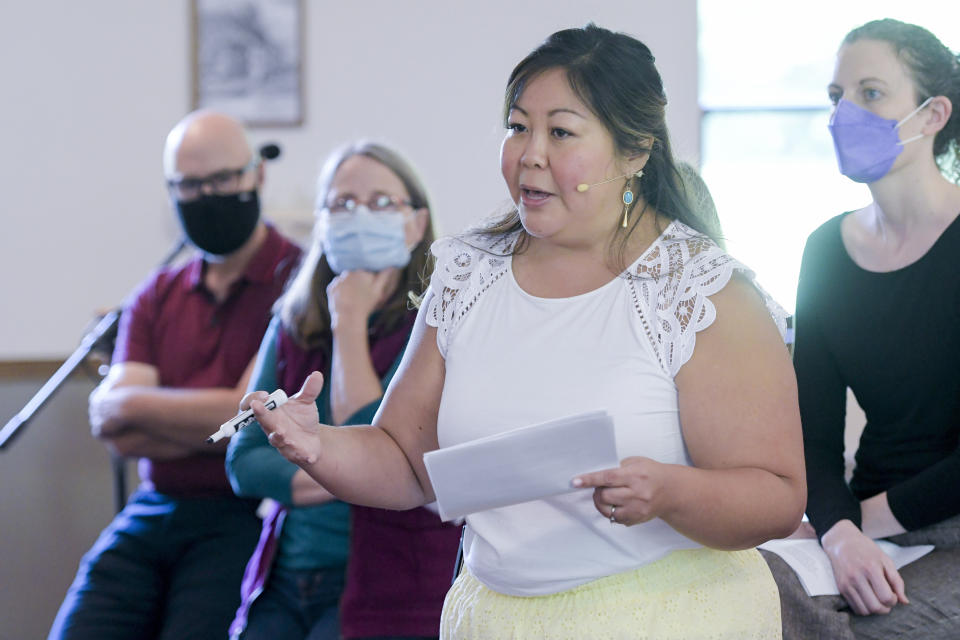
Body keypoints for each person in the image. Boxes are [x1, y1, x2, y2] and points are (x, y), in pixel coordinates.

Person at [244, 24, 805, 639]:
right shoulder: (468, 274)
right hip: (496, 615)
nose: (530, 154)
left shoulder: (699, 290)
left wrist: (671, 491)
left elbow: (776, 496)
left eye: (561, 132)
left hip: (664, 616)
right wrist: (317, 445)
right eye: (517, 128)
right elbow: (406, 463)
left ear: (636, 151)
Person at [48, 110, 302, 640]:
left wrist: (142, 407)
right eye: (189, 185)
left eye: (223, 179)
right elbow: (111, 424)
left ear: (258, 175)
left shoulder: (299, 284)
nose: (207, 195)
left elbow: (254, 420)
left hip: (244, 515)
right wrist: (217, 413)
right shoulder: (156, 294)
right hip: (152, 509)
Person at [760, 18, 960, 640]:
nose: (845, 114)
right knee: (734, 596)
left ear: (932, 115)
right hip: (857, 520)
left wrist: (859, 523)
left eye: (871, 93)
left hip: (938, 525)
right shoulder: (825, 250)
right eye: (837, 96)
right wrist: (839, 530)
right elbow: (813, 437)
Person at [225, 140, 462, 640]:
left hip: (392, 586)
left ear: (416, 223)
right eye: (341, 204)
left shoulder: (438, 324)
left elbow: (384, 451)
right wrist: (338, 470)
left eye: (380, 203)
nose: (358, 216)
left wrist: (349, 322)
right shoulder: (292, 321)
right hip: (285, 577)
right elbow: (245, 462)